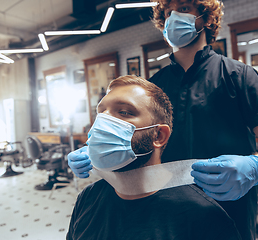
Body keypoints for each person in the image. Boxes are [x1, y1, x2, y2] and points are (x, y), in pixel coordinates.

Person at [68, 1, 258, 239]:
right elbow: (135, 140)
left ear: (207, 18)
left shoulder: (237, 76)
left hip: (228, 210)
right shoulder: (153, 87)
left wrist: (256, 168)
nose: (174, 18)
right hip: (164, 213)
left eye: (184, 8)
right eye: (169, 13)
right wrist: (98, 149)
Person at [67, 75, 242, 240]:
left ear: (158, 135)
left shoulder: (204, 217)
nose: (103, 123)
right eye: (101, 113)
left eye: (124, 112)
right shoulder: (87, 198)